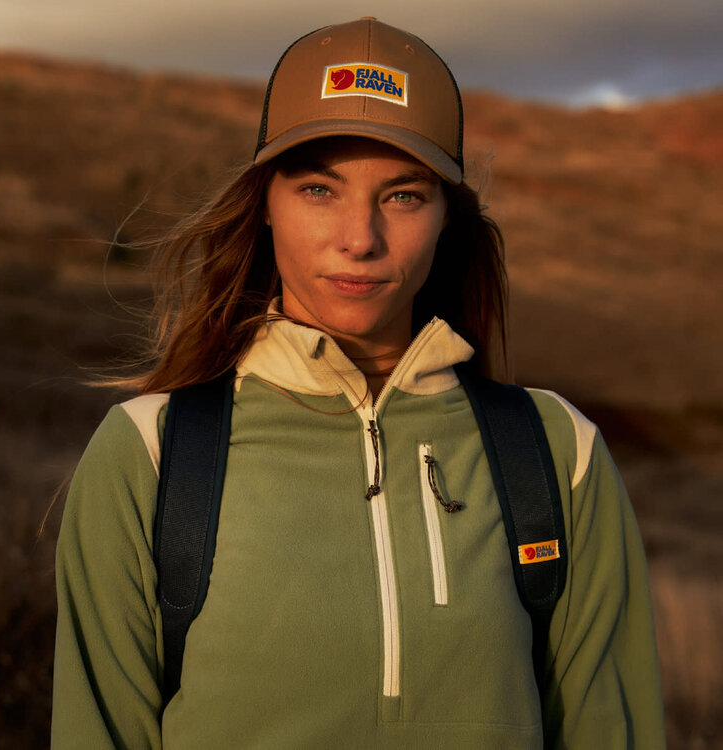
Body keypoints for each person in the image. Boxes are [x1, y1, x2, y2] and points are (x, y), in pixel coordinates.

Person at [51, 17, 665, 749]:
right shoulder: (149, 456)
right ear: (265, 205)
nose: (360, 238)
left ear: (446, 217)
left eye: (403, 196)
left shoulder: (559, 454)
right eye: (319, 189)